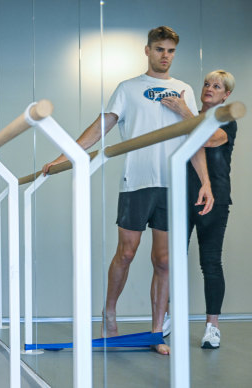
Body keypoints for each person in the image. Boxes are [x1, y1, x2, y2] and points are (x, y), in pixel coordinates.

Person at [41, 26, 214, 355]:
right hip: (136, 183)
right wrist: (65, 155)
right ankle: (109, 315)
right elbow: (101, 127)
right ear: (147, 51)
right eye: (160, 49)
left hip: (170, 184)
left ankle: (154, 333)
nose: (165, 56)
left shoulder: (183, 90)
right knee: (127, 253)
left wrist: (205, 181)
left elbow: (194, 138)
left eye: (171, 51)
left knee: (163, 261)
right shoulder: (128, 88)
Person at [161, 70, 236, 349]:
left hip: (214, 200)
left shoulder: (226, 119)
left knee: (211, 263)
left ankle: (212, 327)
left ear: (226, 94)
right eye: (206, 83)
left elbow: (206, 139)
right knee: (169, 260)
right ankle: (166, 315)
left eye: (216, 86)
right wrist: (184, 112)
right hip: (181, 196)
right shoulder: (188, 115)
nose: (209, 88)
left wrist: (184, 111)